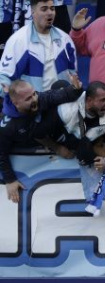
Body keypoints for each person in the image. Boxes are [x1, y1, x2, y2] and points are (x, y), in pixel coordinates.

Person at [0, 75, 82, 203]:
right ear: (16, 103)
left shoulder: (40, 98)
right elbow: (1, 153)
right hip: (25, 154)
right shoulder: (7, 126)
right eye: (28, 98)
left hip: (49, 139)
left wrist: (76, 89)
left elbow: (61, 95)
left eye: (34, 94)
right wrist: (10, 180)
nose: (34, 99)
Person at [57, 80, 105, 200]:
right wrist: (56, 147)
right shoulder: (67, 111)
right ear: (89, 101)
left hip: (88, 155)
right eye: (103, 100)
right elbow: (37, 133)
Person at [0, 0, 77, 95]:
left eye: (51, 9)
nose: (49, 13)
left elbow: (72, 71)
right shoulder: (17, 40)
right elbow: (6, 75)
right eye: (44, 9)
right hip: (32, 103)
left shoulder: (64, 38)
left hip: (60, 102)